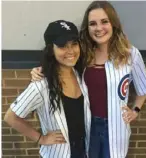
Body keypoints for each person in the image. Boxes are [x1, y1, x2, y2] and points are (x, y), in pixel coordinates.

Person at [30, 1, 146, 158]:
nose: (99, 28)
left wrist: (135, 110)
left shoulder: (130, 54)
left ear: (113, 23)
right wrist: (39, 70)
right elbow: (58, 62)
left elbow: (144, 87)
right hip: (86, 126)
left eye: (104, 22)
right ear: (87, 28)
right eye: (92, 24)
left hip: (115, 126)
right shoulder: (82, 54)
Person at [4, 20, 91, 158]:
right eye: (63, 46)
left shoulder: (81, 75)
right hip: (59, 154)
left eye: (74, 44)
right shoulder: (41, 84)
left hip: (84, 152)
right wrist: (41, 139)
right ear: (51, 49)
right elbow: (11, 117)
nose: (70, 51)